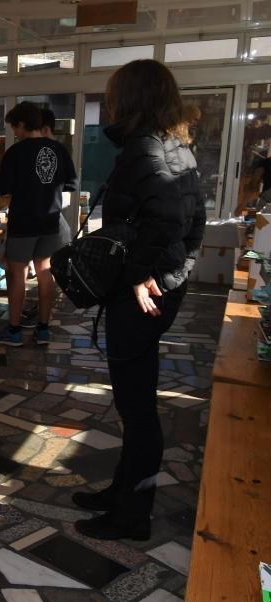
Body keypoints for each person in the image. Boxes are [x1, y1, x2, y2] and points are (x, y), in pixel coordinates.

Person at [72, 59, 205, 541]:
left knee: (137, 406)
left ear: (130, 98)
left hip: (143, 296)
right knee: (135, 401)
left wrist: (140, 278)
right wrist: (174, 276)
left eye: (113, 94)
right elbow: (194, 229)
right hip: (157, 291)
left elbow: (169, 225)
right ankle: (123, 491)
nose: (108, 102)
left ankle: (131, 515)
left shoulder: (147, 150)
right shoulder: (175, 147)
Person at [0, 102, 77, 346]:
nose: (14, 132)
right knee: (45, 273)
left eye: (14, 127)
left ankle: (15, 330)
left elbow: (2, 188)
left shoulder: (16, 153)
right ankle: (43, 328)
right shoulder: (59, 150)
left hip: (24, 222)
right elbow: (70, 183)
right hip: (51, 222)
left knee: (17, 274)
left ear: (22, 124)